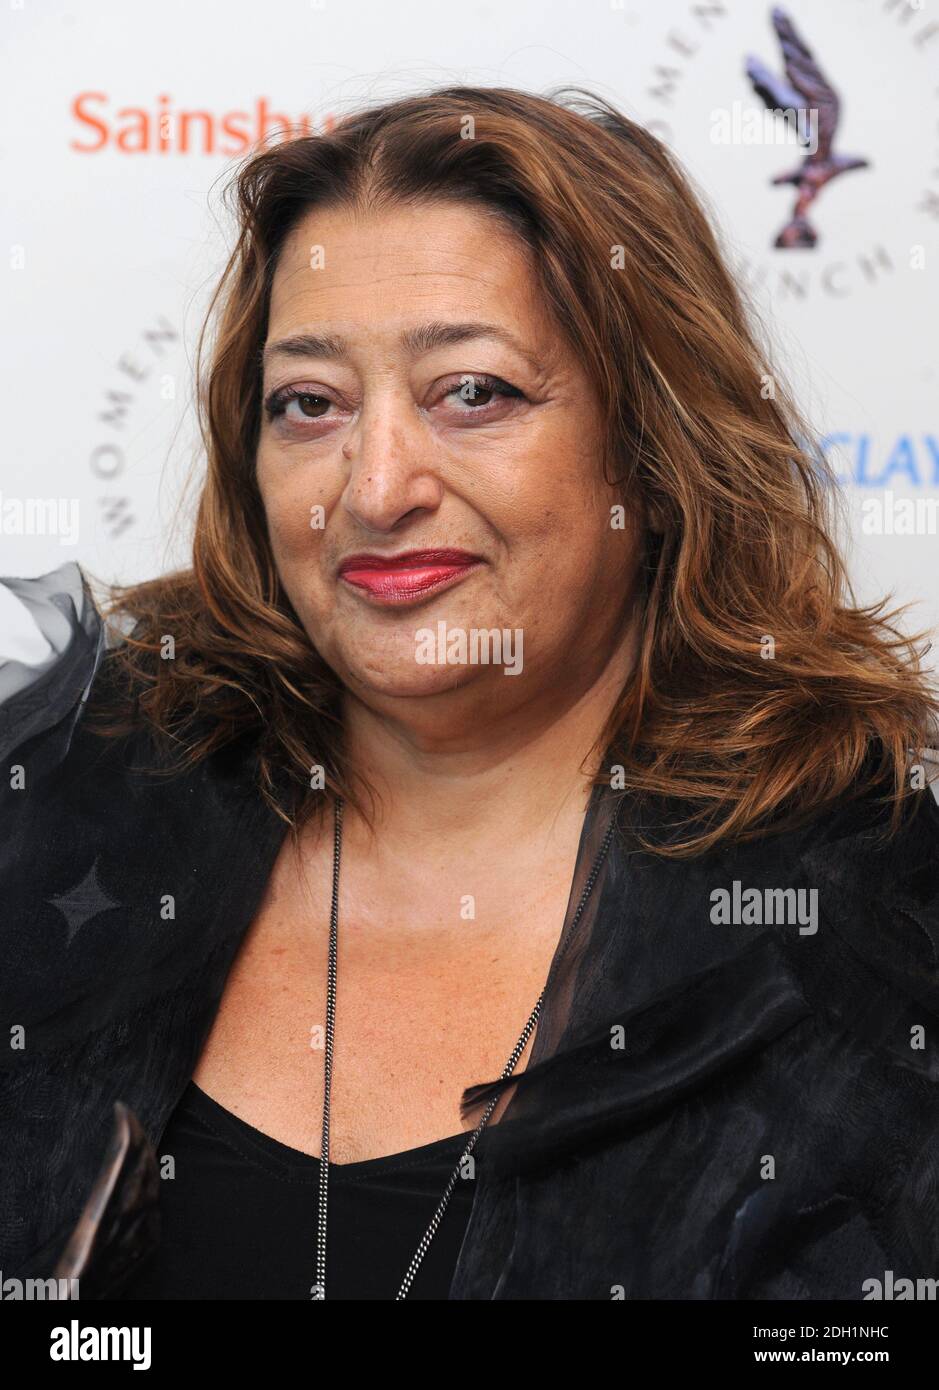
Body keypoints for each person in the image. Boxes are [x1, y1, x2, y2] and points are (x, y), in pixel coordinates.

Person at [2, 85, 938, 1302]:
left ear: (654, 457)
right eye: (310, 405)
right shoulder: (58, 827)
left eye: (474, 392)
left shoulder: (875, 944)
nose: (377, 484)